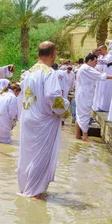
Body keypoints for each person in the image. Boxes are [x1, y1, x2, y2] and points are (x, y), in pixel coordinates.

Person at [17, 41, 70, 199]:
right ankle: (34, 193)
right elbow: (52, 96)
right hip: (42, 121)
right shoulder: (48, 72)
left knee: (27, 155)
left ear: (38, 54)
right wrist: (65, 109)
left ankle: (25, 187)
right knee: (41, 156)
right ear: (53, 54)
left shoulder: (28, 72)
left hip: (28, 118)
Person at [76, 54, 112, 141]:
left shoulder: (83, 67)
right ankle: (85, 137)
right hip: (84, 95)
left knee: (79, 115)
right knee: (85, 115)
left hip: (81, 94)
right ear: (90, 61)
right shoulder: (87, 68)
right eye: (95, 61)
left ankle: (78, 135)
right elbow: (101, 76)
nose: (96, 63)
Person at [93, 45, 112, 112]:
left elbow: (106, 61)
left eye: (100, 50)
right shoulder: (100, 56)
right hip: (100, 76)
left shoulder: (109, 56)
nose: (99, 51)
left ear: (104, 49)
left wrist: (96, 60)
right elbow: (98, 65)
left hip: (107, 78)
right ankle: (99, 106)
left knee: (106, 92)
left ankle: (105, 107)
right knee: (99, 92)